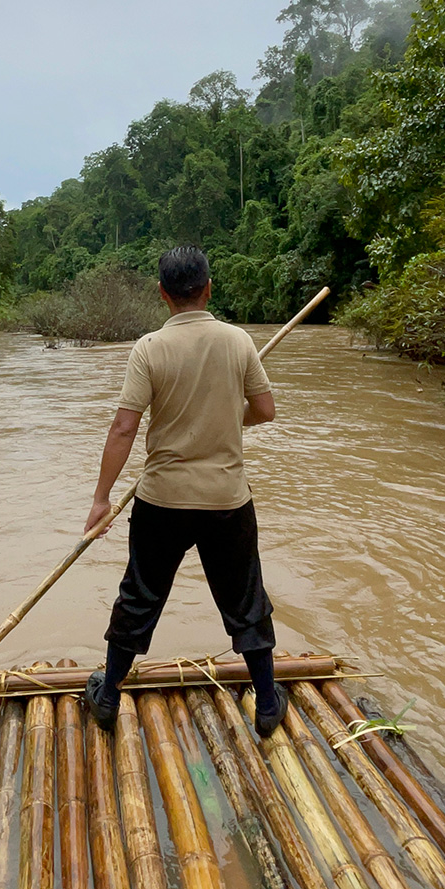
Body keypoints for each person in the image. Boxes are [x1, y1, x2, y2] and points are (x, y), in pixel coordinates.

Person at [82, 244, 288, 737]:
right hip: (226, 501)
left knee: (139, 595)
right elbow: (265, 411)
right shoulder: (238, 342)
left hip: (162, 500)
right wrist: (225, 421)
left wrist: (101, 499)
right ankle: (266, 702)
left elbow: (123, 429)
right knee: (245, 598)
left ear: (162, 294)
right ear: (209, 288)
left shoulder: (149, 348)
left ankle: (108, 695)